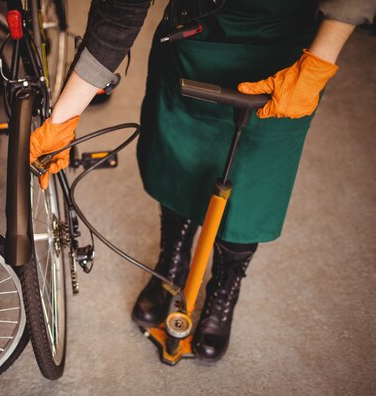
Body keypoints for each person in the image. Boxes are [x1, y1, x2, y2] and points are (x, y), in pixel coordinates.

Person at [29, 0, 376, 362]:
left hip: (287, 48)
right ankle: (173, 262)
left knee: (255, 186)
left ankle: (225, 287)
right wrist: (62, 122)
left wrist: (319, 62)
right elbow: (118, 13)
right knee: (179, 162)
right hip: (195, 36)